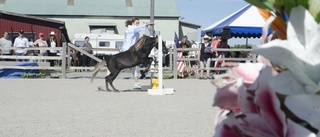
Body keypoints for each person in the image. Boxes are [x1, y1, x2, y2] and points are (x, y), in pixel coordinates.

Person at [121, 17, 153, 88]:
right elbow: (140, 27)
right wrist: (148, 24)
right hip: (127, 49)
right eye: (136, 23)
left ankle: (136, 81)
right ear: (132, 23)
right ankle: (136, 80)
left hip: (132, 49)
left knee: (134, 66)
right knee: (134, 64)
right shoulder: (131, 28)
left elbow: (139, 29)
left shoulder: (135, 29)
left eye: (138, 23)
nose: (137, 24)